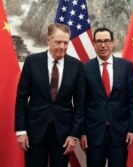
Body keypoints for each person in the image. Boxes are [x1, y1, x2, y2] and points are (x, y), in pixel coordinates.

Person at [15, 23, 85, 167]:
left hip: (63, 134)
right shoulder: (32, 61)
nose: (62, 46)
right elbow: (22, 98)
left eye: (66, 43)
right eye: (58, 42)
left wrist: (73, 135)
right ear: (48, 40)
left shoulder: (77, 66)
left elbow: (80, 104)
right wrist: (21, 130)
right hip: (34, 131)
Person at [80, 27, 133, 167]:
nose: (103, 45)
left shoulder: (126, 67)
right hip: (94, 134)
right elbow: (81, 103)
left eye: (106, 41)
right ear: (94, 44)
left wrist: (132, 129)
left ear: (113, 42)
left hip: (120, 133)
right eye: (99, 41)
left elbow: (132, 100)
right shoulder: (85, 68)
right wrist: (82, 133)